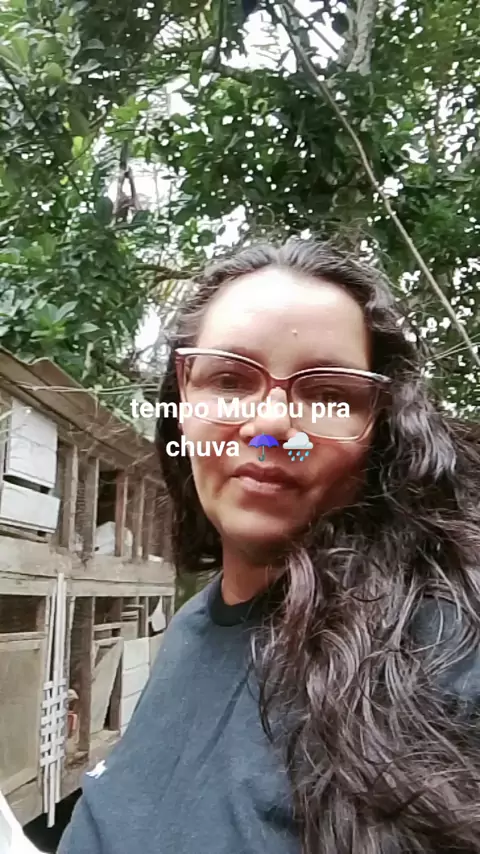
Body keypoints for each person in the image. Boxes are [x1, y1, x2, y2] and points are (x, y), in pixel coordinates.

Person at [59, 239, 480, 854]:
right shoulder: (193, 629)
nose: (272, 426)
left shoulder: (447, 650)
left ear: (379, 429)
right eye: (229, 379)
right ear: (182, 405)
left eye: (327, 394)